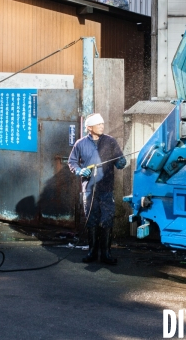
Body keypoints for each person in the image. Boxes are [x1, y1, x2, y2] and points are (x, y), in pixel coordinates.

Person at [68, 113, 126, 265]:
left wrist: (121, 162)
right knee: (91, 220)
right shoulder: (80, 144)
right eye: (98, 124)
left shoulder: (110, 141)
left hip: (106, 188)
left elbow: (119, 159)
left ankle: (106, 253)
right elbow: (72, 162)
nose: (102, 126)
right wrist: (80, 170)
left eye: (102, 124)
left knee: (107, 219)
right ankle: (92, 252)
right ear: (89, 128)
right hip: (89, 188)